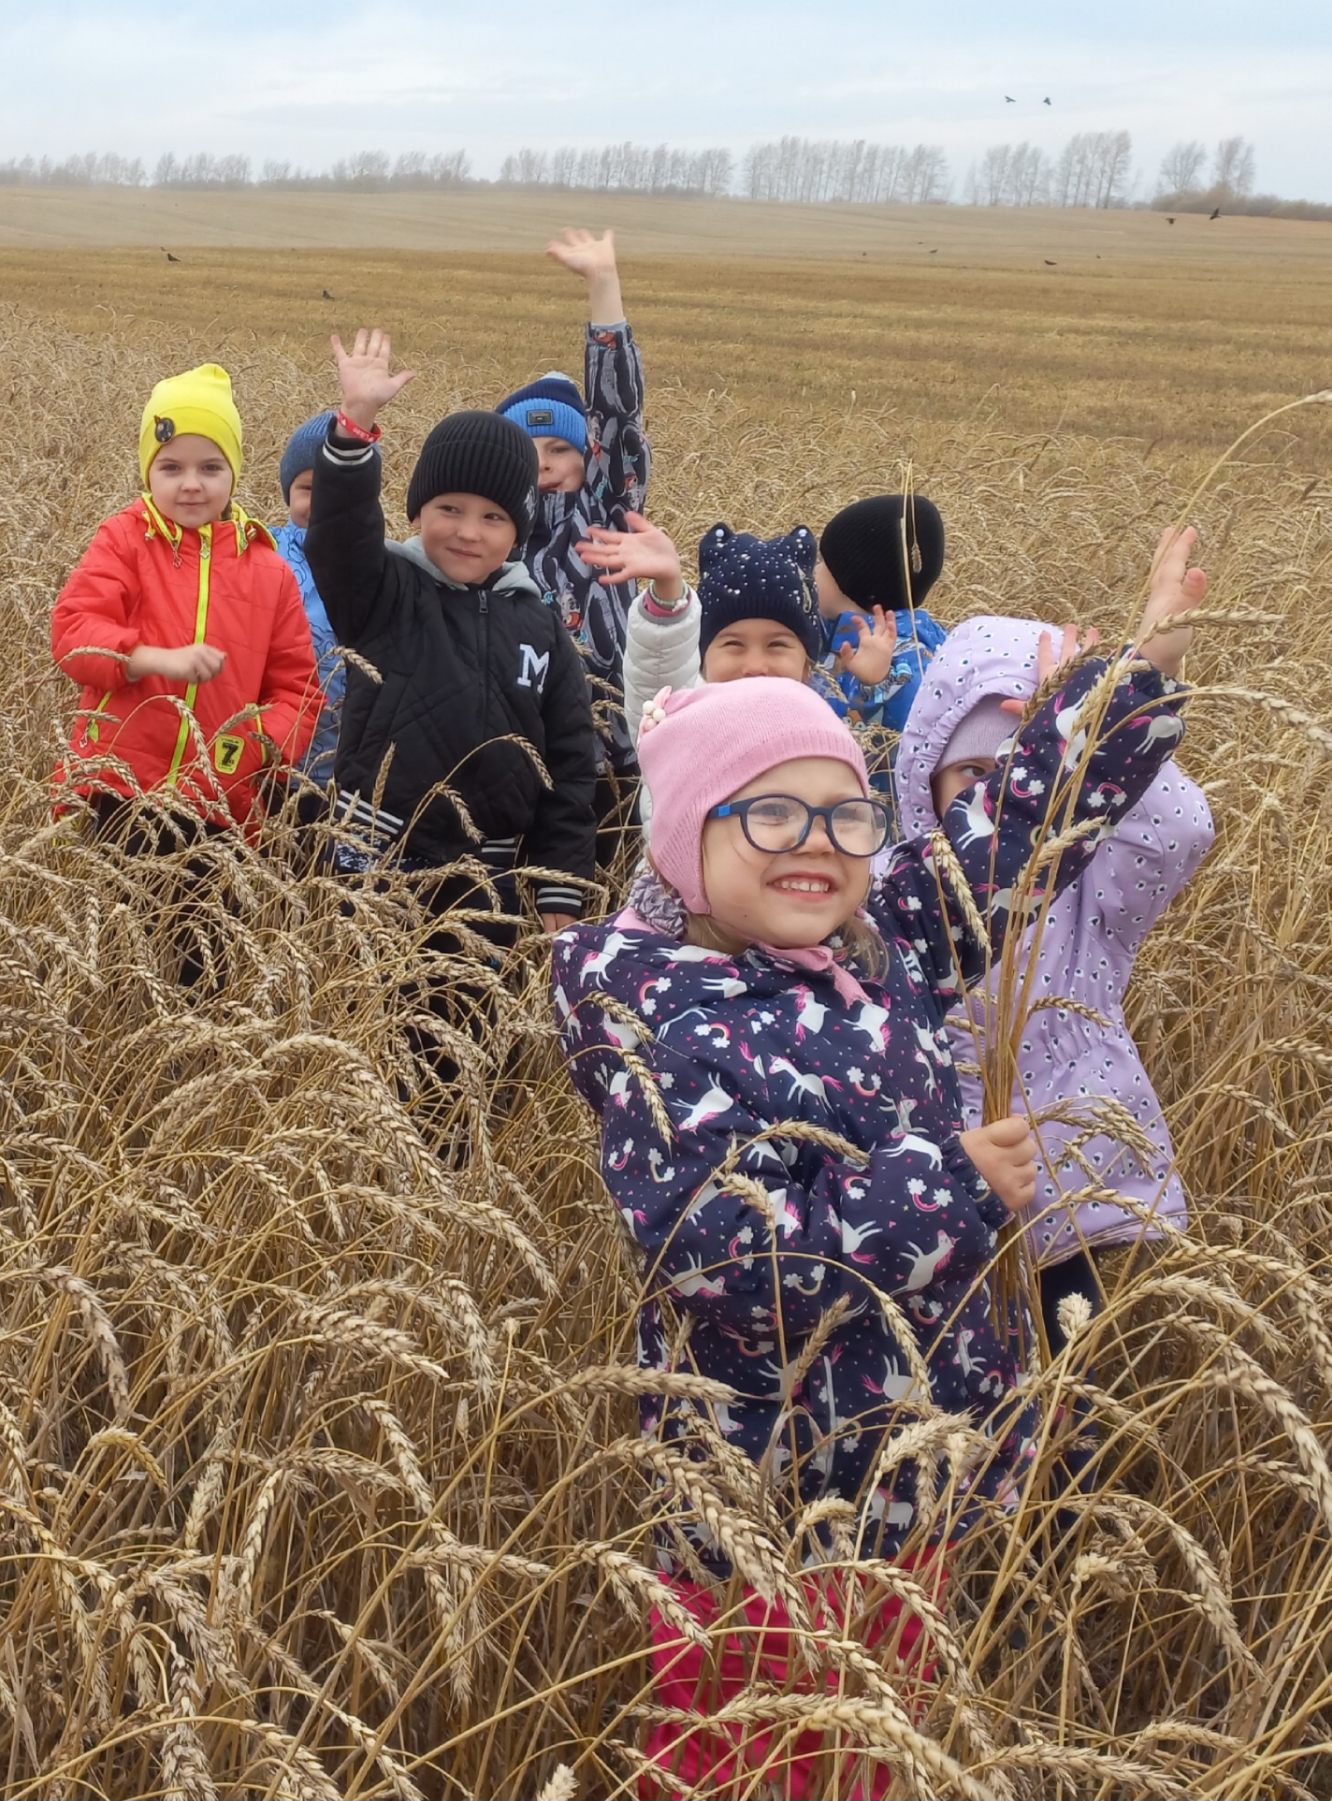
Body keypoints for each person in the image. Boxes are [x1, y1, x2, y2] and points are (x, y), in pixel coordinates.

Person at [551, 524, 1203, 1797]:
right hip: (761, 1510)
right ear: (686, 842)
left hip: (911, 1480)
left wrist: (1138, 663)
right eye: (769, 815)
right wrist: (956, 1182)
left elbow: (1022, 821)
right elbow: (727, 1254)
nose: (817, 842)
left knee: (880, 1742)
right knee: (743, 1754)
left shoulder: (878, 939)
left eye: (847, 811)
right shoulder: (661, 1020)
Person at [895, 613, 1215, 1351]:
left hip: (1085, 1209)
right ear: (925, 778)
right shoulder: (903, 906)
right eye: (977, 778)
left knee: (1081, 1419)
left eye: (1026, 773)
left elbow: (1183, 826)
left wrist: (1096, 725)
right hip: (961, 1223)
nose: (1004, 803)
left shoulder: (1089, 894)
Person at [303, 328, 597, 938]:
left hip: (488, 873)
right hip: (368, 856)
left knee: (463, 1019)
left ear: (518, 532)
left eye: (493, 517)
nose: (469, 532)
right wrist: (355, 423)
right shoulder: (382, 592)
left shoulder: (540, 629)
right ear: (416, 512)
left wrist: (559, 884)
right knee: (361, 1013)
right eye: (450, 509)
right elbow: (338, 533)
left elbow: (569, 764)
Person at [52, 361, 318, 841]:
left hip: (219, 804)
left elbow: (299, 692)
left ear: (233, 474)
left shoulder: (270, 571)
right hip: (116, 789)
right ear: (148, 471)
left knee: (196, 918)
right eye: (171, 467)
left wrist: (256, 747)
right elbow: (73, 632)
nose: (191, 483)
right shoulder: (124, 540)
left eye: (211, 467)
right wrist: (148, 658)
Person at [579, 517, 902, 825]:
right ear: (703, 656)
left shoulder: (821, 720)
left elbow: (871, 772)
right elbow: (658, 665)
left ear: (807, 663)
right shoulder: (681, 715)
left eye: (777, 645)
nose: (754, 666)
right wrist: (667, 592)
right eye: (733, 645)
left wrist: (870, 688)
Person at [496, 228, 650, 832]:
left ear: (589, 456)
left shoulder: (607, 512)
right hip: (520, 745)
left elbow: (619, 417)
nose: (544, 463)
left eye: (561, 448)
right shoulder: (491, 540)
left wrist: (603, 288)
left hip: (616, 749)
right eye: (526, 450)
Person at [272, 409, 376, 790]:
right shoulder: (262, 552)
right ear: (288, 492)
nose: (324, 502)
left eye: (339, 489)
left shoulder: (379, 566)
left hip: (347, 769)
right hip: (271, 760)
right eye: (309, 489)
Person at [814, 493, 949, 742]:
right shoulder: (832, 630)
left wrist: (876, 684)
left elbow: (896, 734)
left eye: (823, 562)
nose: (814, 570)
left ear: (852, 584)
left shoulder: (906, 662)